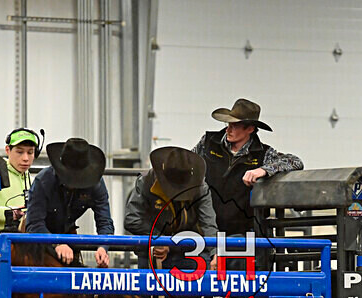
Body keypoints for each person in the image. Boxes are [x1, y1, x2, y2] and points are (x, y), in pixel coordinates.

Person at [191, 98, 303, 236]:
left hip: (241, 231)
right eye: (228, 124)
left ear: (250, 129)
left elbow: (295, 161)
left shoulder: (263, 153)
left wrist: (263, 170)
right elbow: (188, 163)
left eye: (235, 126)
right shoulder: (207, 142)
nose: (228, 129)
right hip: (203, 227)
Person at [124, 146, 218, 272]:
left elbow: (208, 223)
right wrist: (159, 240)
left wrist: (215, 253)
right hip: (153, 247)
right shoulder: (147, 182)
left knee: (202, 275)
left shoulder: (200, 188)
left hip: (188, 247)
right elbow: (132, 219)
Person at [26, 138, 114, 267]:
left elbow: (105, 221)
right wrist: (57, 242)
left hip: (68, 235)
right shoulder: (43, 182)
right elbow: (34, 223)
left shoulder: (96, 184)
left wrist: (103, 247)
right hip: (41, 239)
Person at [0, 127, 43, 231]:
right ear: (7, 150)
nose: (25, 158)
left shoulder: (34, 182)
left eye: (30, 152)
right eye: (19, 152)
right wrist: (8, 213)